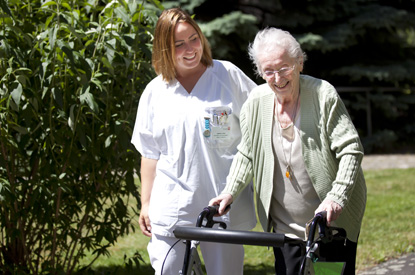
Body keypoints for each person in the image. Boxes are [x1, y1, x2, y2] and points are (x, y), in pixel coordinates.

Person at [209, 27, 367, 275]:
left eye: (284, 68)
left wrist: (337, 196)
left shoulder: (322, 95)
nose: (277, 78)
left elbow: (351, 149)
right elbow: (247, 154)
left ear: (299, 63)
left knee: (331, 273)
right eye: (268, 71)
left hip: (330, 223)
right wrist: (229, 192)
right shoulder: (256, 102)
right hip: (285, 227)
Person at [131, 7, 257, 275]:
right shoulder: (155, 92)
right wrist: (145, 203)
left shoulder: (227, 75)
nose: (190, 49)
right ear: (164, 48)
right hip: (172, 203)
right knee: (168, 271)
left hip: (221, 202)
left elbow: (261, 118)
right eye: (179, 44)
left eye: (194, 39)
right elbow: (149, 154)